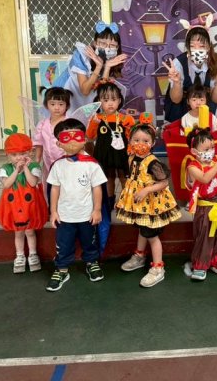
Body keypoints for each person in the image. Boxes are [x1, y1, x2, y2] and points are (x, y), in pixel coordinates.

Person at [45, 118, 108, 292]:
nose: (72, 141)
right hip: (65, 216)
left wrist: (97, 210)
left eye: (77, 136)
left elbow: (97, 188)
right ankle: (62, 270)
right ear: (58, 143)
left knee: (90, 242)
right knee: (63, 244)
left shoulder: (92, 165)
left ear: (85, 139)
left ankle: (91, 263)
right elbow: (54, 189)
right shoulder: (58, 166)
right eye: (66, 137)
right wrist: (53, 211)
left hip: (87, 215)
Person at [117, 123, 182, 287]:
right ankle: (139, 256)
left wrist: (146, 190)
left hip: (151, 205)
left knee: (152, 236)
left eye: (145, 141)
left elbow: (164, 183)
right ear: (130, 141)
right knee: (142, 228)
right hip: (139, 204)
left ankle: (158, 268)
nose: (140, 144)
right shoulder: (131, 157)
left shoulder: (153, 163)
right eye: (136, 140)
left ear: (152, 143)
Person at [185, 126, 217, 281]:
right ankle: (200, 265)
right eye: (206, 149)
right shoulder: (192, 167)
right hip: (204, 208)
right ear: (194, 151)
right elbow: (204, 178)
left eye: (212, 147)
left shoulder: (216, 160)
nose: (211, 151)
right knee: (204, 237)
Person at [162, 16, 217, 122]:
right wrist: (177, 83)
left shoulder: (216, 63)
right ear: (187, 47)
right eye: (192, 46)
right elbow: (176, 100)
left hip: (204, 116)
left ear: (208, 47)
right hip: (180, 115)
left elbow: (215, 99)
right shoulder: (178, 63)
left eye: (201, 46)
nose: (197, 50)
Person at [0, 128, 47, 274]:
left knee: (30, 231)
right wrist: (15, 171)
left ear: (30, 153)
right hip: (14, 206)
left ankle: (33, 254)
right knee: (18, 232)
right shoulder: (5, 168)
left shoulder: (34, 166)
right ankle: (19, 256)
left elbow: (32, 182)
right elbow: (7, 184)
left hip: (30, 206)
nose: (19, 157)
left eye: (23, 154)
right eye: (14, 155)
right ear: (7, 155)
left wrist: (25, 167)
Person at [53, 21, 128, 113]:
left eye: (112, 45)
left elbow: (102, 92)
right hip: (65, 95)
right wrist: (98, 66)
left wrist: (107, 67)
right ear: (95, 43)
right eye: (103, 43)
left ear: (117, 47)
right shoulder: (81, 55)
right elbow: (85, 91)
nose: (107, 48)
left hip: (85, 101)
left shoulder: (112, 60)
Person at [86, 81, 135, 211]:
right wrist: (94, 123)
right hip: (104, 153)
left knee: (124, 176)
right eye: (106, 100)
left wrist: (129, 131)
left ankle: (127, 202)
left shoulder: (126, 118)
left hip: (122, 153)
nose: (110, 103)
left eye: (113, 99)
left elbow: (132, 137)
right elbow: (90, 136)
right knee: (108, 178)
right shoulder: (96, 118)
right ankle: (109, 203)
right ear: (99, 101)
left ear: (119, 100)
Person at [33, 87, 71, 201]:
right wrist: (36, 161)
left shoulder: (69, 123)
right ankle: (52, 207)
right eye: (53, 104)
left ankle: (65, 206)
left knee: (66, 186)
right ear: (46, 105)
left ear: (67, 106)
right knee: (49, 186)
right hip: (48, 163)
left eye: (61, 104)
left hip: (66, 162)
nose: (57, 107)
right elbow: (39, 144)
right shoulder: (42, 124)